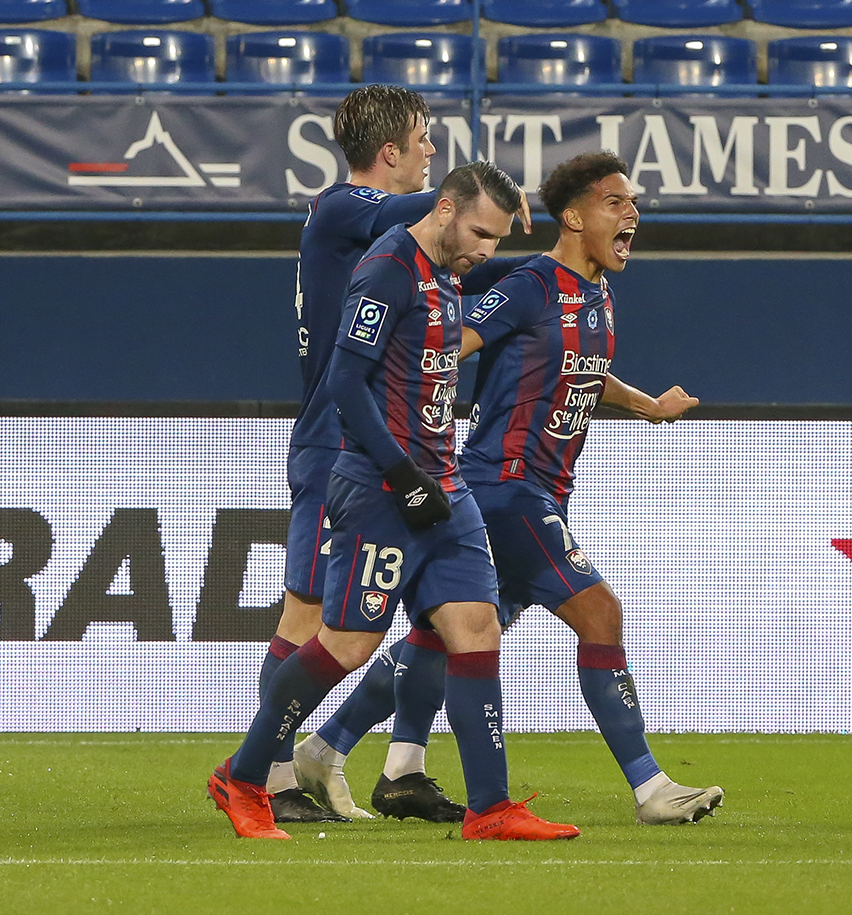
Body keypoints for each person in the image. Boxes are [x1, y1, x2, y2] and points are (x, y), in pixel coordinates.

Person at [295, 152, 723, 827]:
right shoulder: (530, 285)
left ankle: (328, 742)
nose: (631, 212)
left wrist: (646, 405)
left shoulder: (598, 293)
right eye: (615, 201)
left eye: (631, 201)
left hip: (541, 491)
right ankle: (651, 787)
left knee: (442, 641)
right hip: (503, 489)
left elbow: (584, 370)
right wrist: (407, 422)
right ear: (575, 216)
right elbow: (446, 338)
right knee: (600, 615)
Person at [209, 161, 579, 842]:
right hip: (383, 487)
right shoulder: (386, 270)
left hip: (445, 485)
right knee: (347, 641)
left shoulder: (446, 270)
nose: (485, 251)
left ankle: (490, 808)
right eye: (478, 233)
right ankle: (245, 775)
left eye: (496, 241)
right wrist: (400, 472)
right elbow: (346, 383)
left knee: (476, 626)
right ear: (443, 209)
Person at [266, 85, 531, 823]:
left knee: (440, 618)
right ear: (390, 152)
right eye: (423, 137)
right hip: (338, 438)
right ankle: (270, 772)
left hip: (391, 444)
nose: (431, 149)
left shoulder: (403, 247)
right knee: (308, 617)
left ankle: (405, 767)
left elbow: (468, 259)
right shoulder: (344, 207)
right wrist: (485, 197)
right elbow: (435, 210)